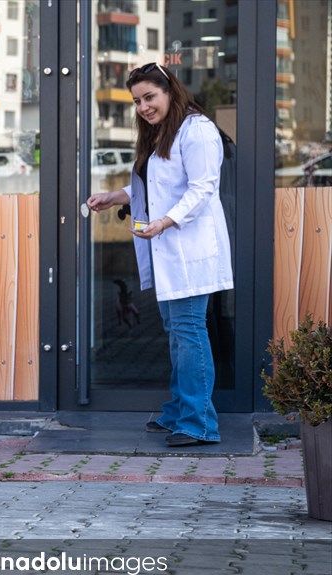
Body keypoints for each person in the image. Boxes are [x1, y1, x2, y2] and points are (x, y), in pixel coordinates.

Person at [86, 62, 233, 447]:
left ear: (170, 91)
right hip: (168, 248)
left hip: (189, 249)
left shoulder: (197, 131)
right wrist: (114, 196)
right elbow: (155, 184)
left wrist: (166, 222)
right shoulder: (160, 133)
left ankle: (200, 423)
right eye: (137, 101)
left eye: (149, 97)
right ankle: (179, 412)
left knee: (189, 333)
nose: (143, 107)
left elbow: (203, 189)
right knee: (177, 333)